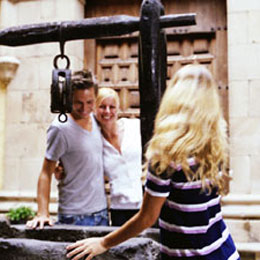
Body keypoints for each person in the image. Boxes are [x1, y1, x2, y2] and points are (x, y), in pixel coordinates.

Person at [66, 65, 240, 260]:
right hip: (225, 252)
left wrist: (103, 243)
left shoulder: (167, 151)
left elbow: (147, 218)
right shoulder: (214, 143)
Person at [26, 70, 108, 229]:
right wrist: (43, 213)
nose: (85, 108)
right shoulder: (60, 128)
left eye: (90, 102)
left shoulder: (95, 118)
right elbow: (45, 172)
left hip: (102, 213)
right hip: (74, 216)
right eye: (78, 102)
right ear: (68, 98)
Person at [95, 88, 143, 226]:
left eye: (112, 107)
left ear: (118, 109)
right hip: (119, 209)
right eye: (102, 107)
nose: (107, 111)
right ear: (95, 109)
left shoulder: (134, 126)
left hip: (146, 205)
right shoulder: (95, 141)